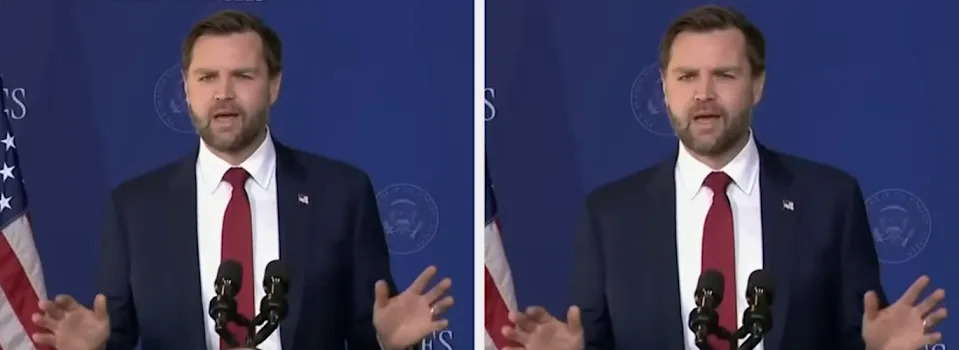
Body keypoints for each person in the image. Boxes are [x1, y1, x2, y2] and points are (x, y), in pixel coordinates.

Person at [500, 5, 946, 350]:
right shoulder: (611, 214)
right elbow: (595, 340)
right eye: (687, 76)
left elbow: (857, 334)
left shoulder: (830, 199)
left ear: (757, 85)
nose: (704, 93)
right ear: (665, 89)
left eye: (725, 75)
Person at [28, 9, 453, 350]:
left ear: (273, 86)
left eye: (243, 76)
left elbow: (370, 330)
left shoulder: (341, 193)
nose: (223, 92)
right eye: (207, 77)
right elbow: (115, 334)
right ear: (187, 89)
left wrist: (387, 343)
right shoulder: (135, 208)